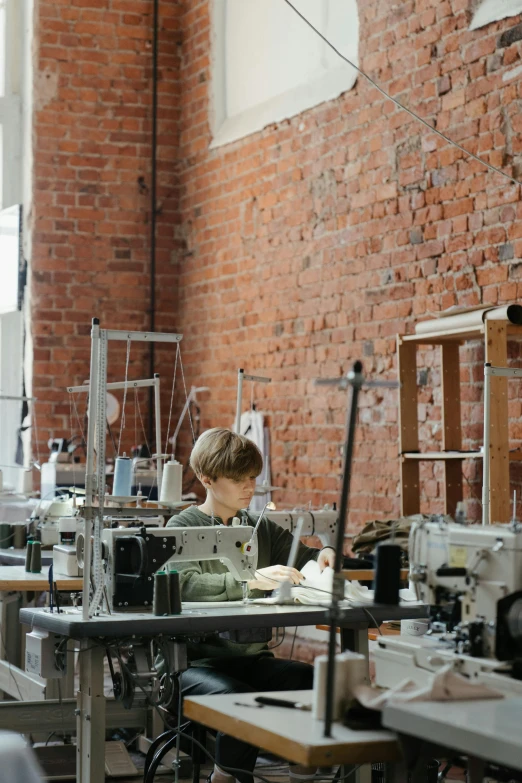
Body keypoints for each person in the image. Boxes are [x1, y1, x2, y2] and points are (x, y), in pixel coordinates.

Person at [167, 427, 336, 783]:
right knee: (238, 697)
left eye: (252, 478)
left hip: (251, 659)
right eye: (238, 478)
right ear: (206, 478)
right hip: (195, 662)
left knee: (309, 681)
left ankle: (301, 773)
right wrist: (249, 580)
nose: (249, 487)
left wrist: (325, 553)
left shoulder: (258, 527)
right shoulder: (182, 526)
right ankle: (225, 778)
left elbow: (304, 555)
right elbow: (183, 584)